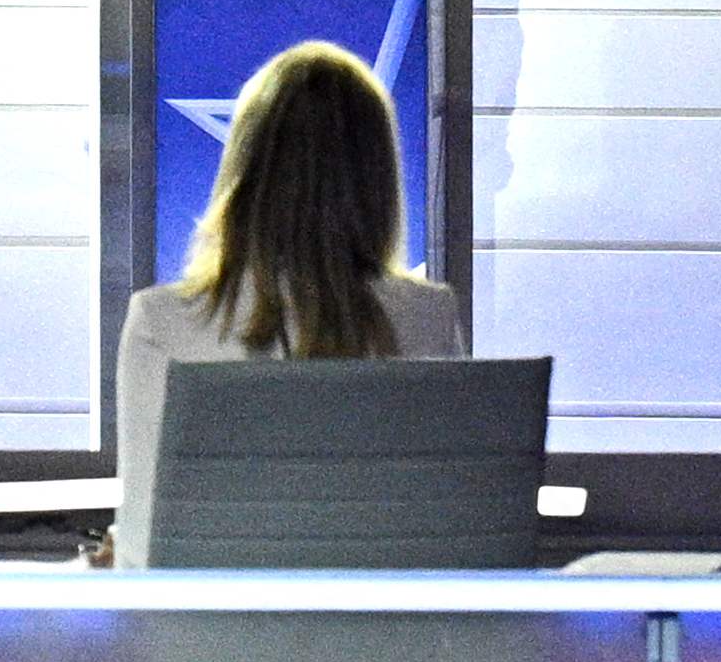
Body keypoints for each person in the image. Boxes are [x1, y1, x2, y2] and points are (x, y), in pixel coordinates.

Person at [110, 37, 468, 567]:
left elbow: (143, 551)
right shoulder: (427, 317)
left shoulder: (161, 323)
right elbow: (450, 538)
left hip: (210, 643)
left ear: (243, 170)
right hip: (386, 641)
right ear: (377, 180)